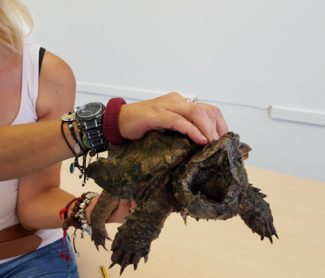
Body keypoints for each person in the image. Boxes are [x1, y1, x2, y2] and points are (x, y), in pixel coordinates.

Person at [0, 0, 228, 277]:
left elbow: (34, 202)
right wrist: (110, 123)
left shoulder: (44, 74)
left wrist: (89, 210)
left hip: (29, 254)